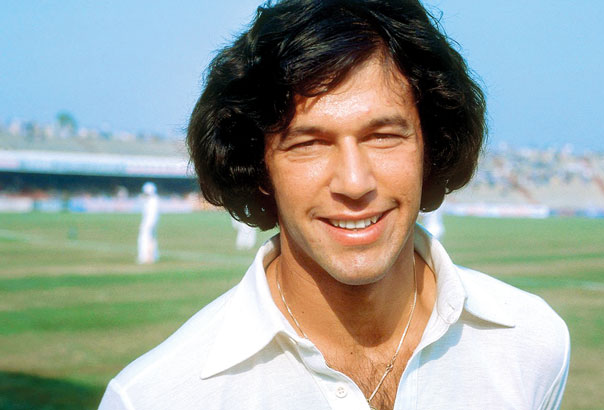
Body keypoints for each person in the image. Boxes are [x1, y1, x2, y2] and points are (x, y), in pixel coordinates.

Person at [100, 1, 569, 409]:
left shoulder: (532, 342)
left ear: (431, 147)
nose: (354, 182)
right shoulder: (154, 398)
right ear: (259, 170)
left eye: (383, 136)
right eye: (309, 143)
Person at [136, 181, 159, 264]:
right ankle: (152, 256)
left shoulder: (151, 200)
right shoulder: (154, 199)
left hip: (149, 223)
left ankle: (144, 257)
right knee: (152, 239)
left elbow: (150, 215)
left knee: (144, 239)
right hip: (152, 222)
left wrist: (145, 225)